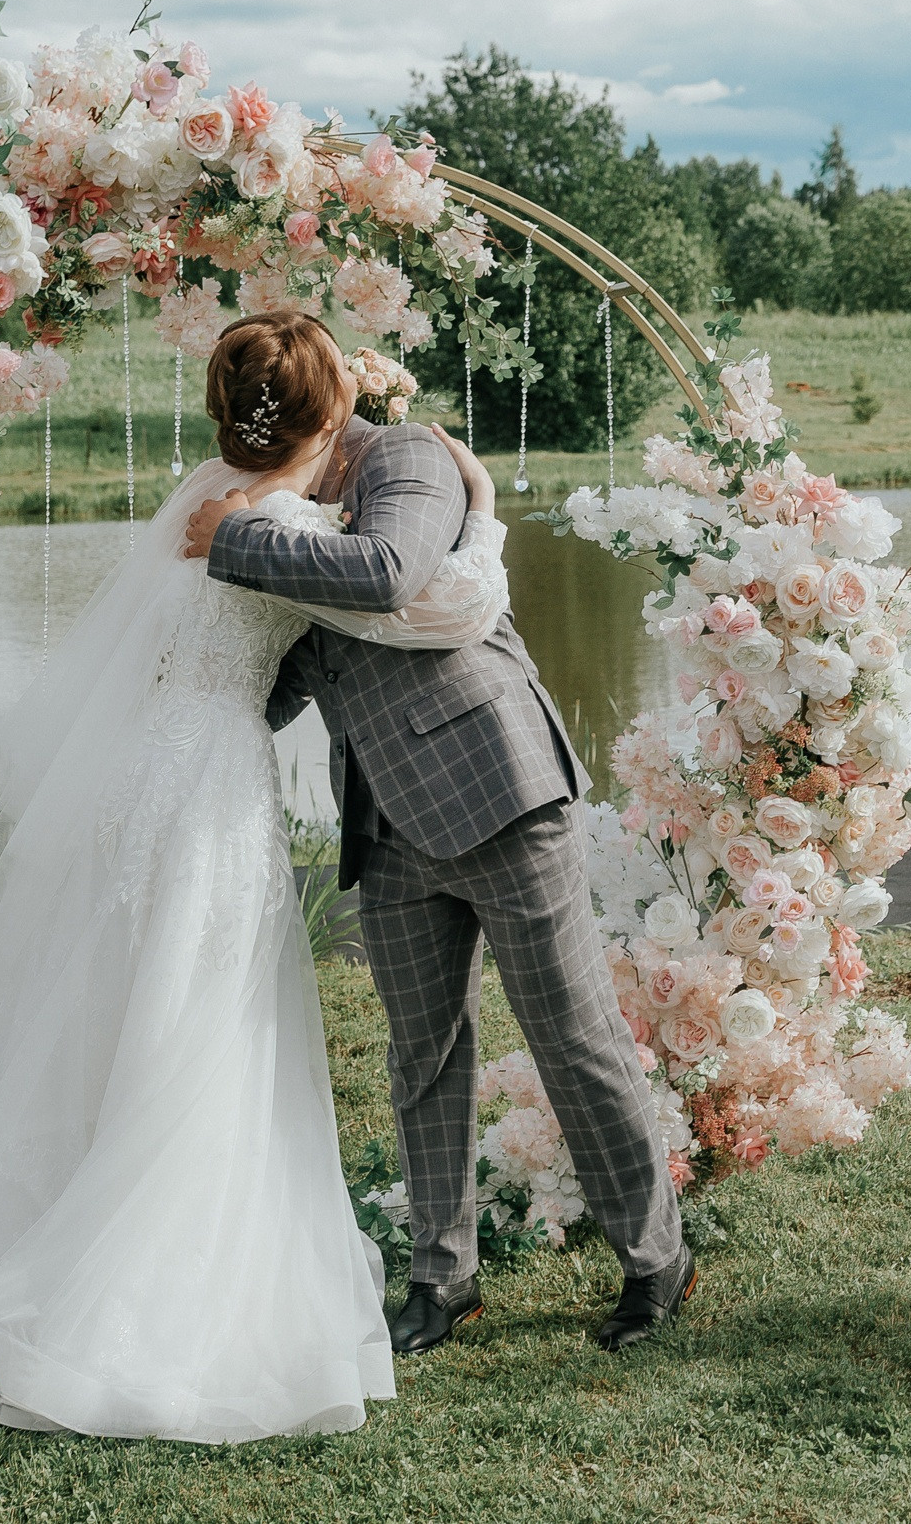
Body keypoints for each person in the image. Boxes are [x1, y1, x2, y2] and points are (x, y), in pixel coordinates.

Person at [0, 312, 517, 1442]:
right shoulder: (286, 526)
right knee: (202, 1019)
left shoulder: (197, 498)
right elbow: (444, 607)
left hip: (125, 775)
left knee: (95, 1002)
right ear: (333, 406)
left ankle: (20, 1219)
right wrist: (486, 513)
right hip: (206, 779)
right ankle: (132, 1293)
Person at [187, 324, 692, 1356]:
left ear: (328, 402)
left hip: (498, 789)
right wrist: (192, 711)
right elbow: (298, 662)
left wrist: (229, 538)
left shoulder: (404, 456)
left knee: (573, 1037)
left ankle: (654, 1257)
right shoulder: (281, 496)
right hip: (381, 810)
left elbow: (383, 572)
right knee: (423, 1054)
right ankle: (441, 1277)